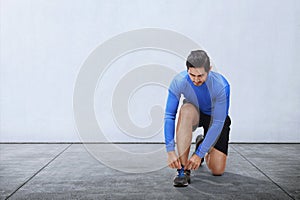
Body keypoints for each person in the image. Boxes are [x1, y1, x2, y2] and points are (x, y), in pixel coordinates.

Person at [164, 50, 231, 187]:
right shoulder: (179, 81)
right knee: (186, 110)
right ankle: (183, 170)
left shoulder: (221, 85)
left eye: (200, 76)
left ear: (209, 70)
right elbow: (169, 116)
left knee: (217, 170)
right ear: (187, 70)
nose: (196, 80)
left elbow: (218, 122)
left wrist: (199, 153)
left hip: (215, 118)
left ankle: (202, 144)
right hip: (194, 113)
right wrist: (170, 150)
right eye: (192, 75)